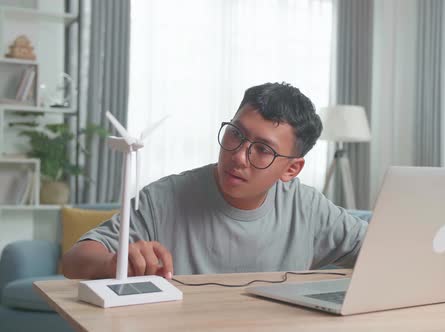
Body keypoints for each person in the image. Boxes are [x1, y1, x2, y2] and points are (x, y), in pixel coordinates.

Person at [62, 82, 368, 280]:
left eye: (262, 150)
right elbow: (74, 260)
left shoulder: (308, 207)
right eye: (235, 133)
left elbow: (376, 250)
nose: (238, 156)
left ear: (292, 169)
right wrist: (113, 263)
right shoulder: (164, 198)